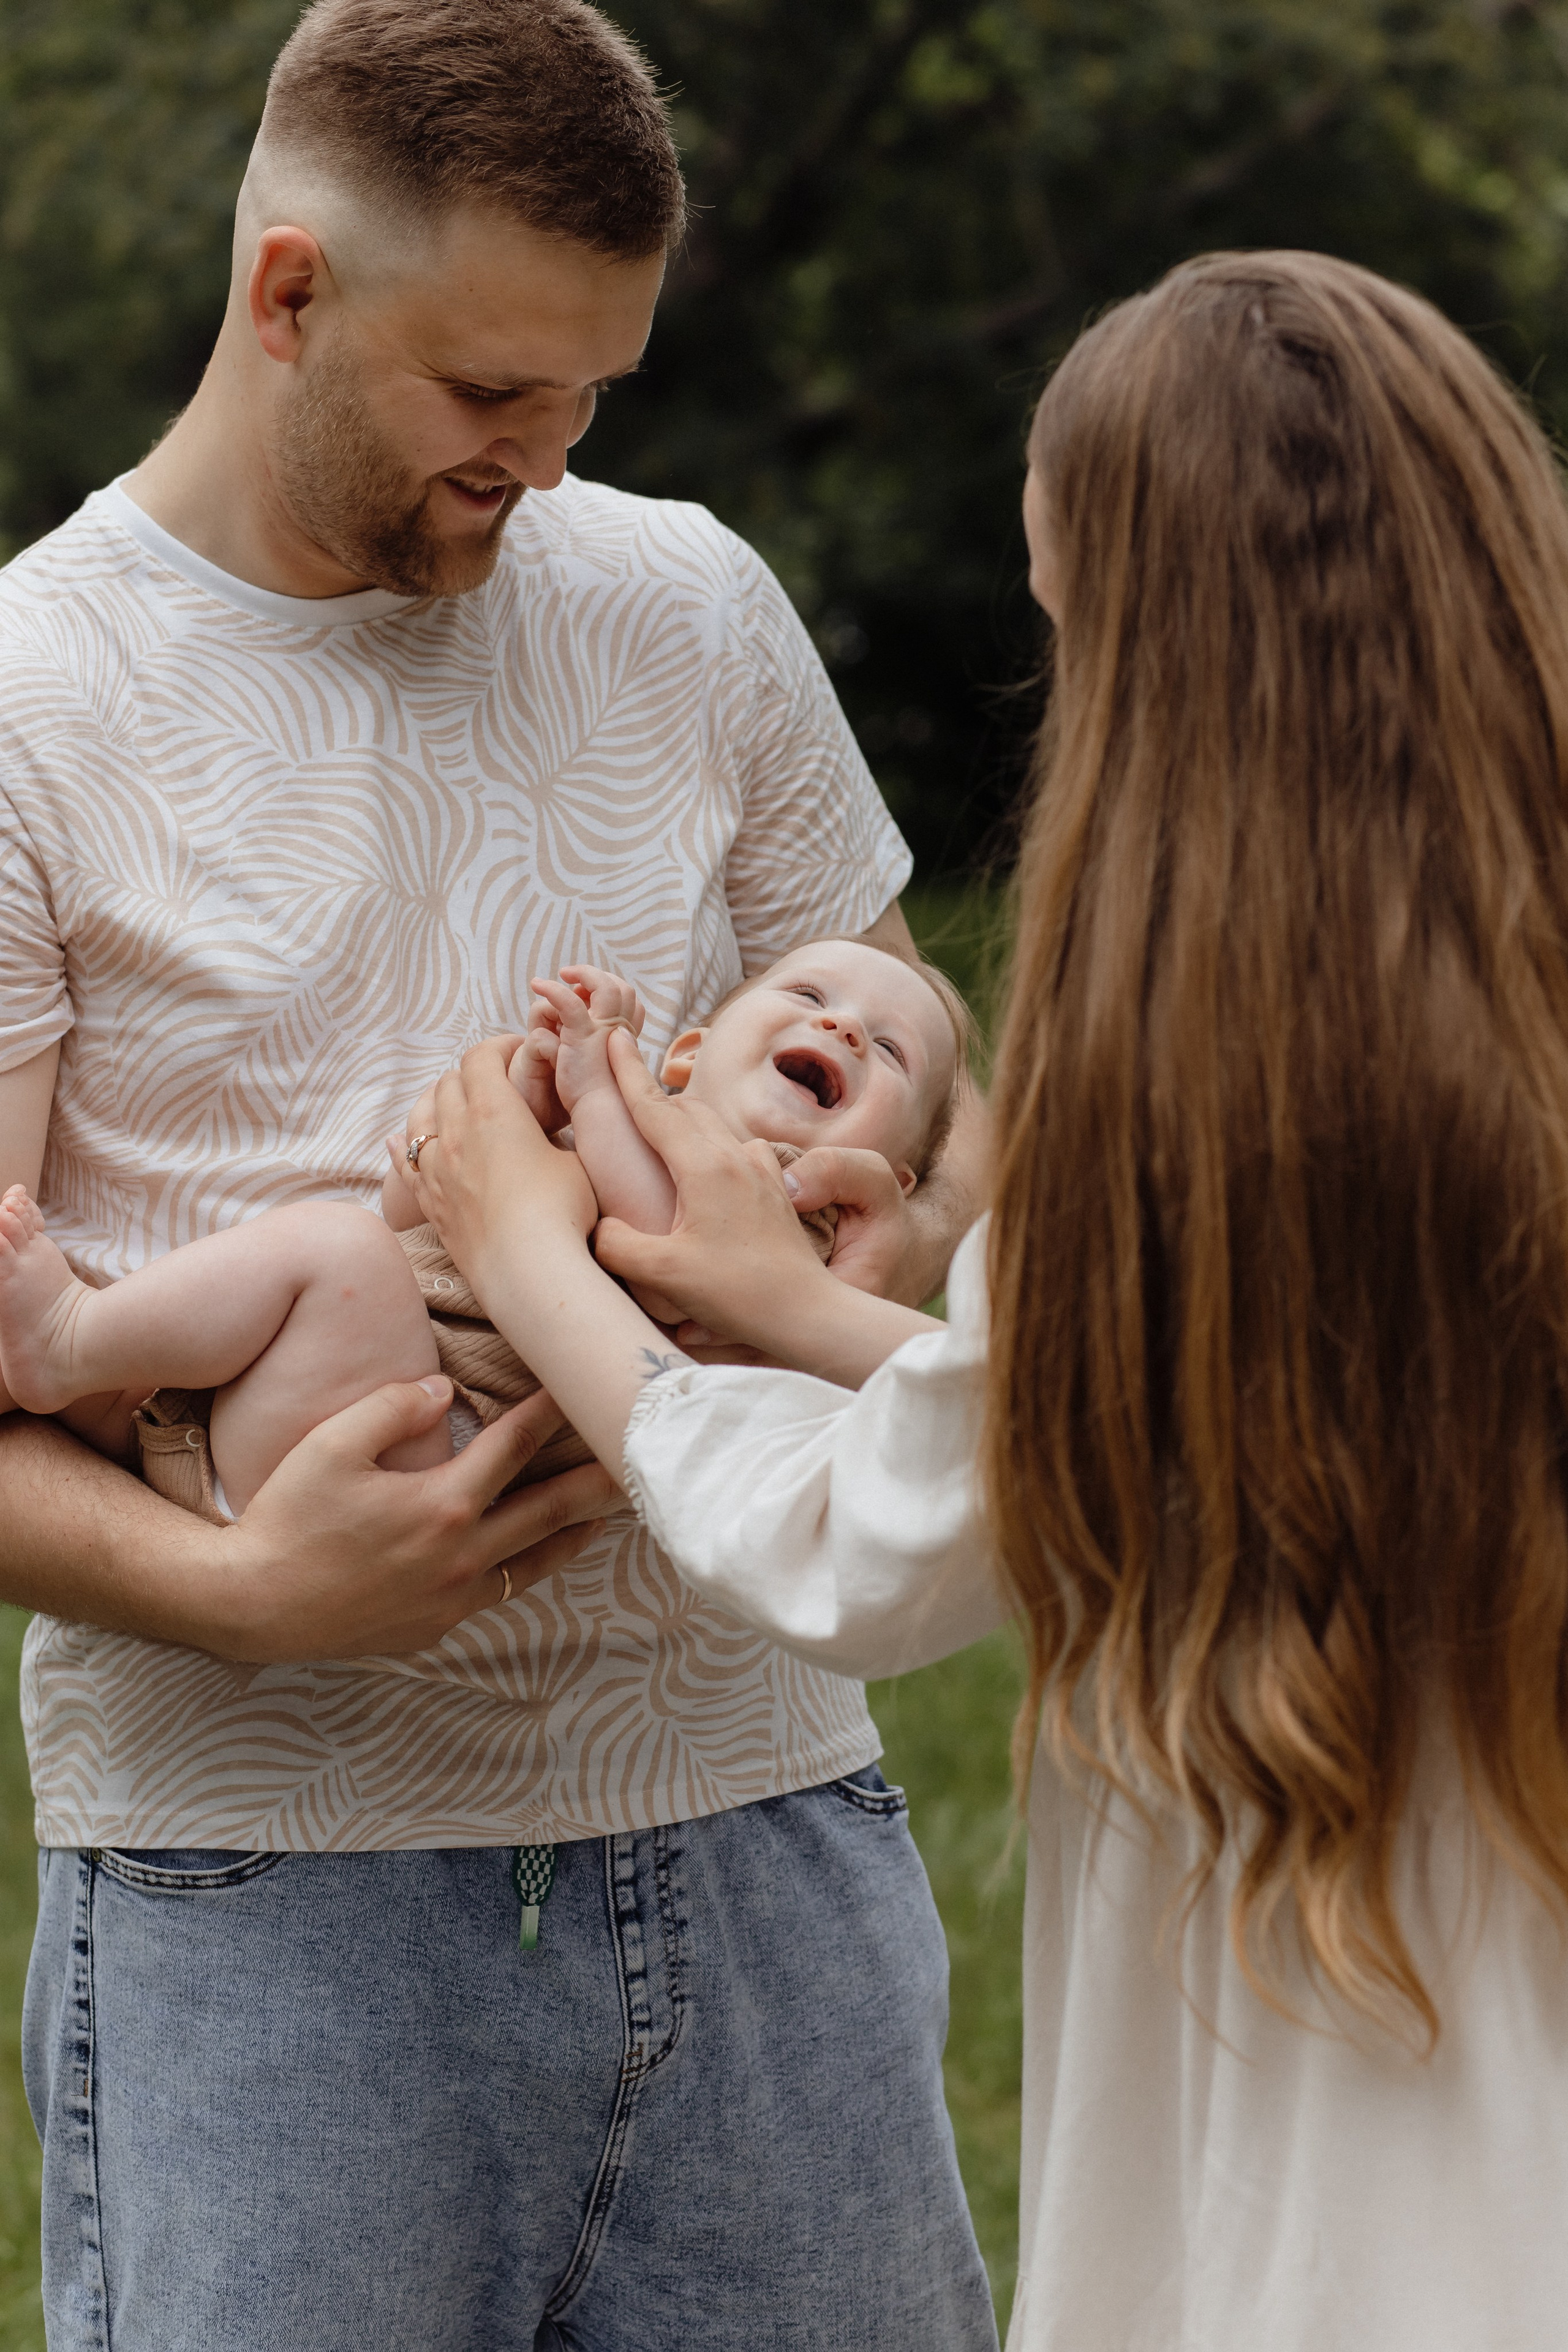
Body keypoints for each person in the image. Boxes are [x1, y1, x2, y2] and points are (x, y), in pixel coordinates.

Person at [401, 249, 1568, 2352]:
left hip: (1338, 2190)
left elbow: (874, 1549)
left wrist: (527, 1264)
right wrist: (802, 1306)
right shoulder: (1494, 1076)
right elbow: (1161, 1427)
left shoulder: (1194, 1132)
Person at [2, 4, 994, 2346]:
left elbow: (938, 1113)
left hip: (769, 1838)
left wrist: (830, 1245)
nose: (547, 463)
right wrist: (250, 1594)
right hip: (275, 1896)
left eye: (593, 396)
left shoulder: (690, 600)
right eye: (489, 397)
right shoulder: (32, 698)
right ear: (287, 293)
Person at [0, 940, 964, 1518]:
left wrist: (596, 1087)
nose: (842, 1029)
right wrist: (526, 1099)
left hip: (399, 1461)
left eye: (887, 1051)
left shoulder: (801, 1226)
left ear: (891, 1179)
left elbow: (674, 1254)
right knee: (338, 1244)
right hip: (292, 1432)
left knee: (339, 1254)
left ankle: (70, 1340)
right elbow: (415, 1209)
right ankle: (84, 1374)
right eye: (809, 998)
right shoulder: (617, 1135)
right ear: (688, 1056)